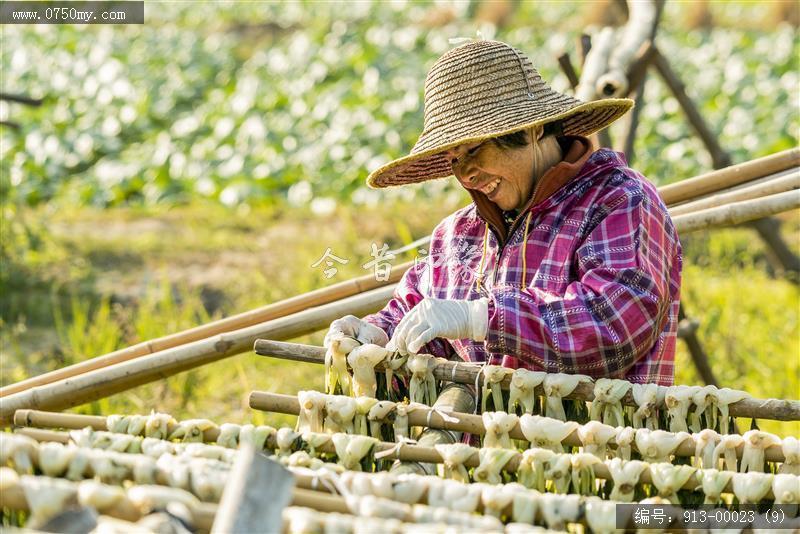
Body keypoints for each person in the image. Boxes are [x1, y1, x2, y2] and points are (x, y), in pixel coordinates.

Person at [325, 39, 681, 389]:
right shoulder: (457, 235)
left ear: (532, 128)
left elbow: (613, 328)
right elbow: (416, 322)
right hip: (470, 446)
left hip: (593, 443)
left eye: (474, 149)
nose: (465, 174)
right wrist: (374, 337)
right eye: (454, 160)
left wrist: (483, 319)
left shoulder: (619, 201)